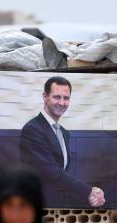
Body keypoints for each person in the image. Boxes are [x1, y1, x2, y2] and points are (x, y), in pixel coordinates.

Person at [20, 76, 105, 208]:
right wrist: (88, 191)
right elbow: (52, 172)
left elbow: (62, 175)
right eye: (57, 97)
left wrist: (90, 195)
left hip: (57, 204)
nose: (62, 102)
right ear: (45, 97)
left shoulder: (64, 133)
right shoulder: (32, 129)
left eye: (66, 98)